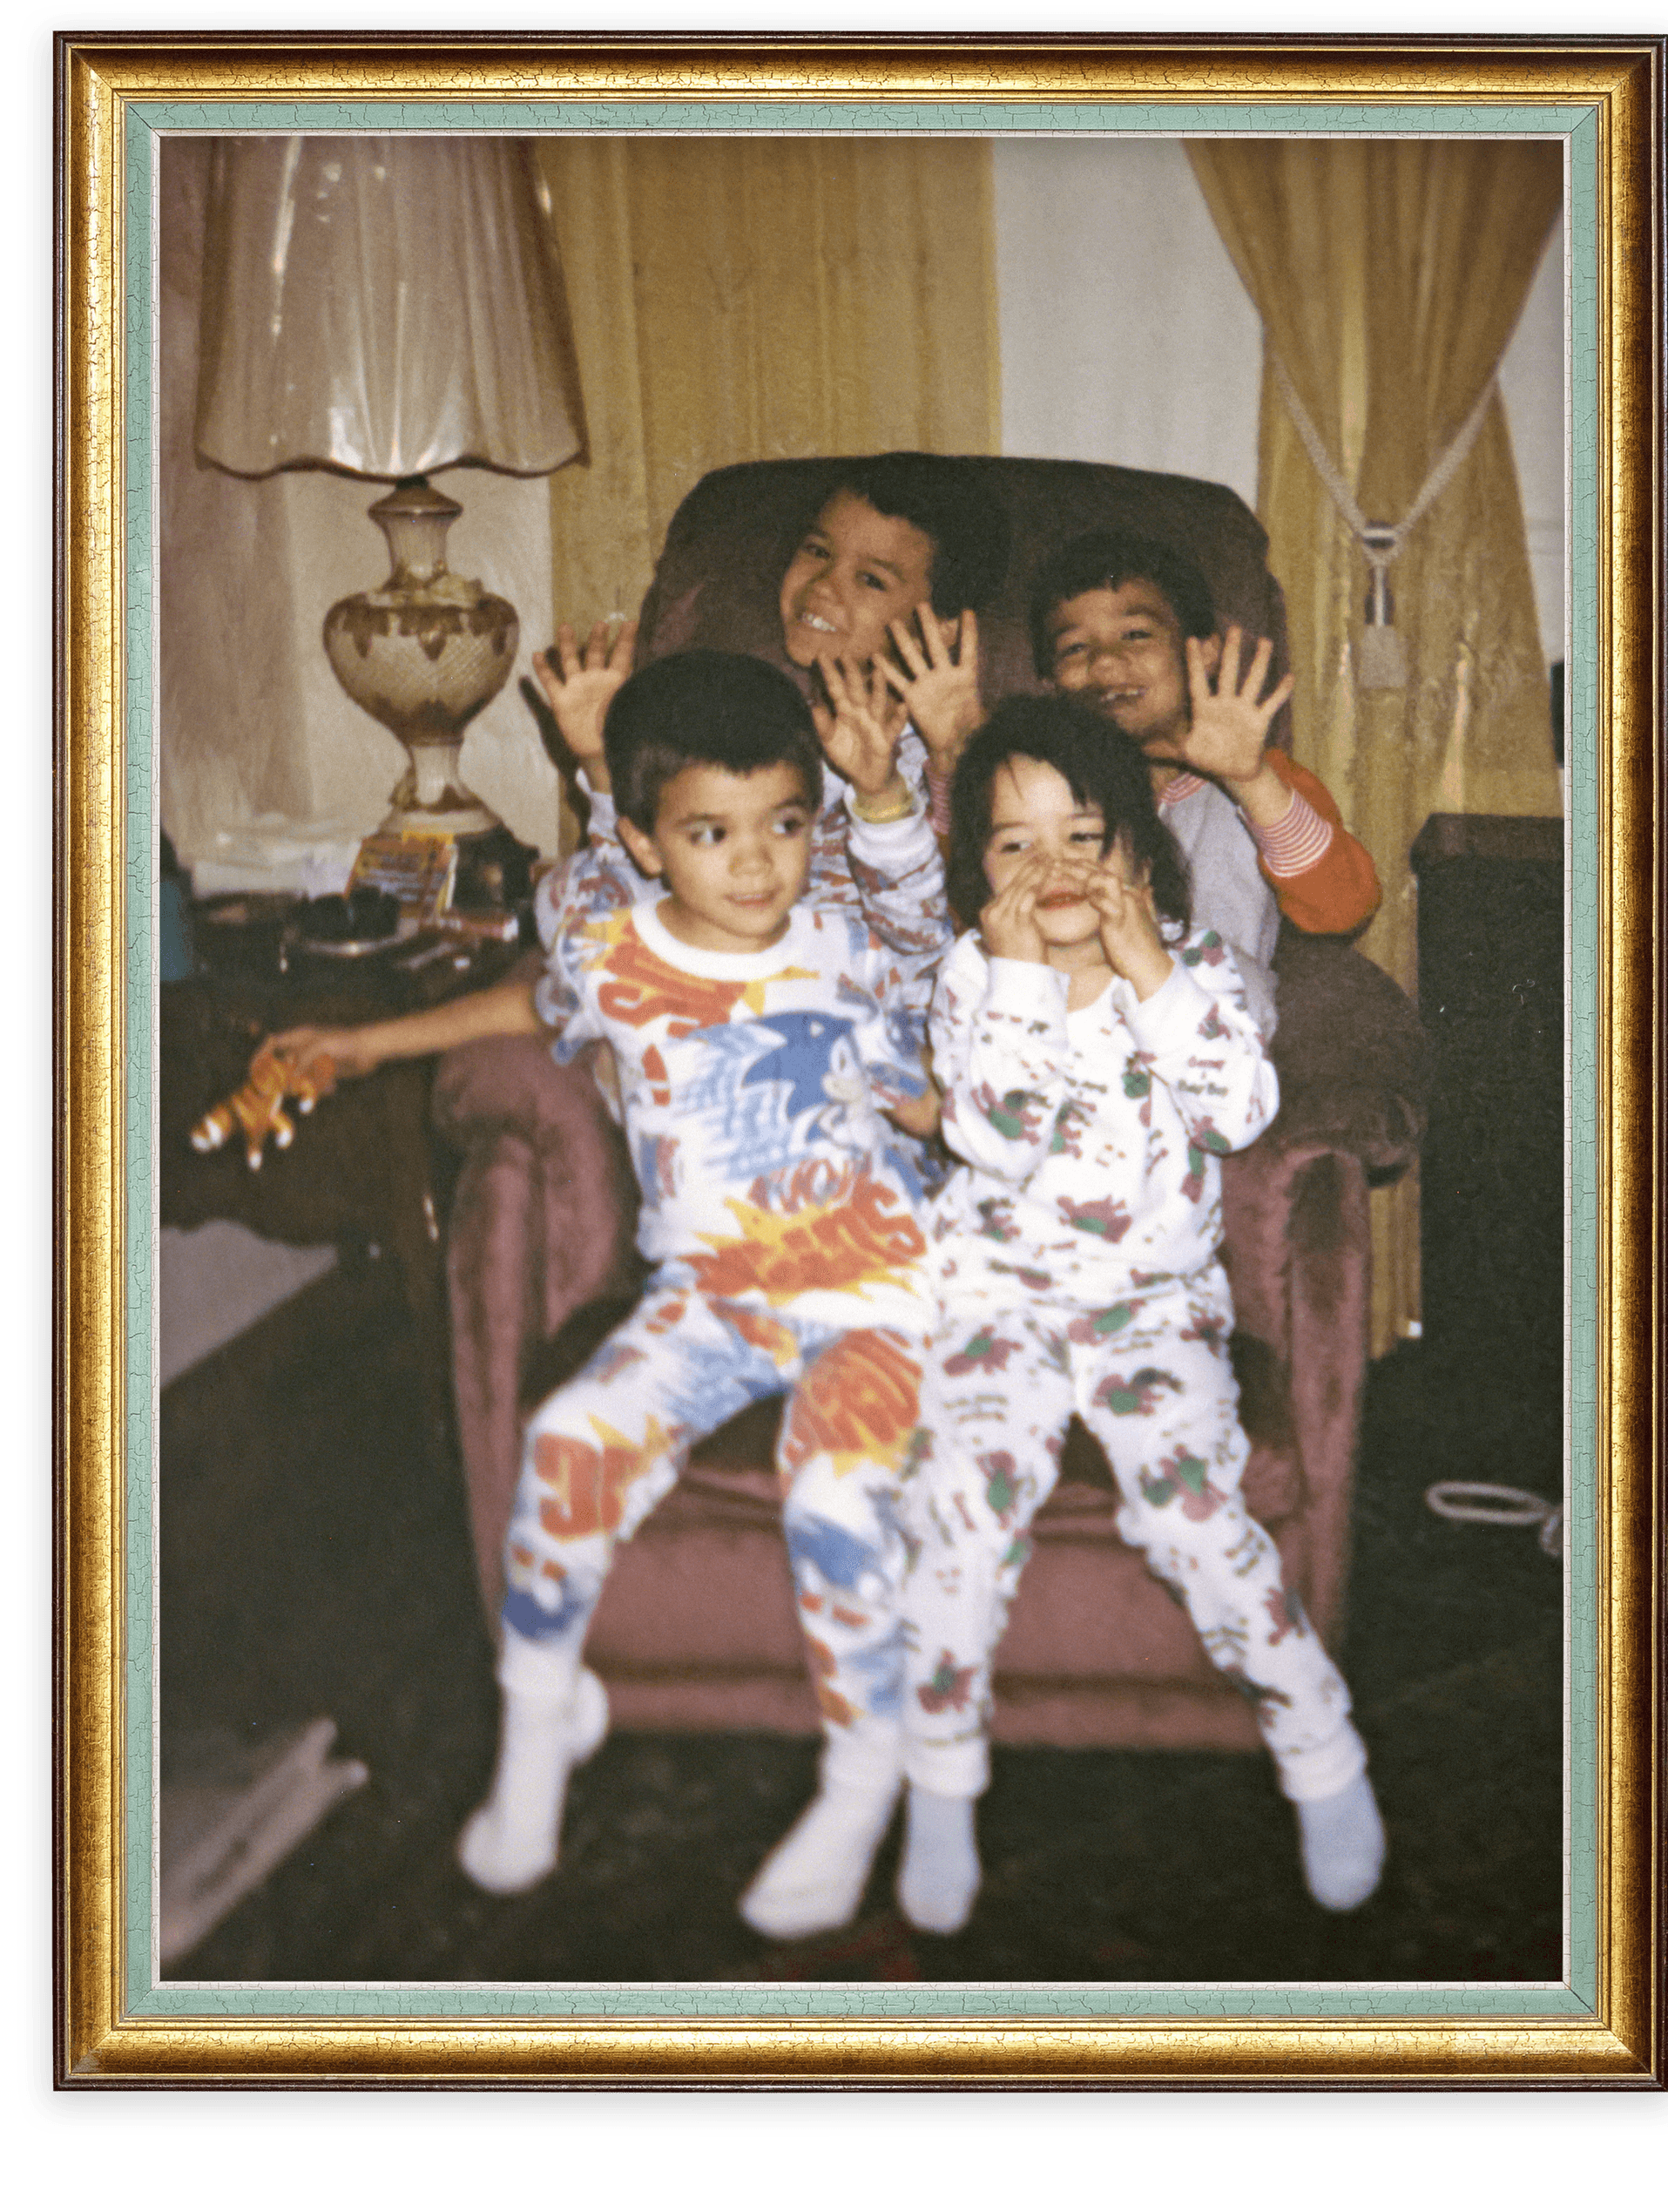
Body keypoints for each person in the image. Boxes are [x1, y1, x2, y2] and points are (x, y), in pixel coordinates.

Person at [270, 653, 948, 1918]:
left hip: (875, 1295)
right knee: (573, 1437)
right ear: (643, 839)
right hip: (711, 1298)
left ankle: (865, 1774)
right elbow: (527, 1000)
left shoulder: (848, 946)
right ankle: (540, 1735)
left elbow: (937, 1032)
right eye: (711, 832)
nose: (757, 864)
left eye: (785, 826)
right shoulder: (615, 954)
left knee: (837, 1482)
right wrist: (362, 1042)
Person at [889, 695, 1385, 1936]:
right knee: (961, 1509)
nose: (1052, 867)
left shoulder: (1199, 969)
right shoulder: (970, 974)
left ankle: (1318, 1743)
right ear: (976, 871)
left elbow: (1236, 1112)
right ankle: (941, 1783)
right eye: (1013, 843)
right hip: (997, 1301)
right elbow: (991, 1136)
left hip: (1151, 1311)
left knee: (1190, 1507)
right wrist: (1010, 979)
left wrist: (1154, 970)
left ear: (1139, 857)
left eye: (1084, 835)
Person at [532, 452, 1011, 906]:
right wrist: (600, 762)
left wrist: (956, 752)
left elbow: (965, 916)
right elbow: (640, 893)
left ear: (943, 625)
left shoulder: (956, 753)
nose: (823, 584)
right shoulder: (744, 729)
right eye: (817, 550)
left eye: (871, 580)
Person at [1029, 530, 1381, 1036]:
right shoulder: (1036, 786)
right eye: (1074, 648)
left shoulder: (1262, 781)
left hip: (1206, 1043)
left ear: (1205, 653)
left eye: (1136, 635)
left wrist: (1250, 778)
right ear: (1048, 686)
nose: (1103, 663)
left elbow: (1345, 908)